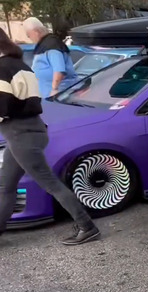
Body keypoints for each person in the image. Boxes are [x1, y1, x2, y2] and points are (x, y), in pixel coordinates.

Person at [0, 28, 99, 245]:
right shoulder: (21, 65)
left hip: (20, 134)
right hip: (31, 129)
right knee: (6, 185)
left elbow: (3, 106)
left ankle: (87, 226)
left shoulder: (2, 69)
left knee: (50, 184)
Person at [22, 17, 78, 98]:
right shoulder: (45, 45)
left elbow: (59, 70)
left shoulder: (52, 46)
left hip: (59, 96)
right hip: (47, 95)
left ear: (36, 32)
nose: (29, 38)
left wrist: (54, 89)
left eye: (28, 35)